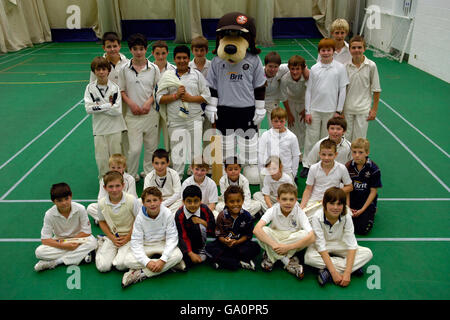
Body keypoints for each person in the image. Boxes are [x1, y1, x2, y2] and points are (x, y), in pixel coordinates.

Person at [156, 45, 210, 178]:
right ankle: (177, 176)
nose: (181, 60)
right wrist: (175, 96)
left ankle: (194, 174)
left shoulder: (197, 75)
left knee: (195, 149)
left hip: (194, 118)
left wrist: (190, 98)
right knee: (177, 150)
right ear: (174, 59)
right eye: (178, 58)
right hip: (175, 120)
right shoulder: (167, 76)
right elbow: (159, 98)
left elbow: (206, 96)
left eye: (184, 58)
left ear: (188, 59)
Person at [304, 187, 373, 287]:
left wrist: (347, 273)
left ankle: (325, 271)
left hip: (340, 244)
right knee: (309, 258)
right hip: (322, 245)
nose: (335, 207)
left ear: (344, 205)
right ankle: (353, 265)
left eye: (339, 204)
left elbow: (352, 245)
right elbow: (321, 246)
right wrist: (334, 273)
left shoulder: (347, 216)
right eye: (332, 203)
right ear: (325, 204)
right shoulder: (317, 217)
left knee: (367, 253)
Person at [303, 38, 349, 178]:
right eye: (323, 50)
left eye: (328, 50)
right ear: (319, 52)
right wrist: (307, 111)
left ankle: (323, 163)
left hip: (330, 110)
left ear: (333, 51)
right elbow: (309, 90)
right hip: (315, 109)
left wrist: (338, 111)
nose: (326, 53)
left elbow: (343, 90)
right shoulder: (315, 68)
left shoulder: (340, 68)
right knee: (311, 137)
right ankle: (307, 164)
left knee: (326, 139)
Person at [121, 187, 183, 288]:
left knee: (178, 255)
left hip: (162, 244)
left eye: (155, 200)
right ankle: (171, 265)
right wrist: (147, 262)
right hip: (146, 246)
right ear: (143, 203)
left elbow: (172, 238)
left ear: (160, 200)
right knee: (127, 261)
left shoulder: (167, 213)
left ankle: (140, 273)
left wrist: (162, 260)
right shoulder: (140, 218)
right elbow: (136, 242)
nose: (152, 204)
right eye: (148, 201)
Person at [119, 33, 160, 182]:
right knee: (134, 149)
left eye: (141, 48)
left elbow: (158, 89)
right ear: (130, 50)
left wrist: (149, 102)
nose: (138, 52)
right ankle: (131, 176)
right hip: (132, 115)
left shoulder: (154, 69)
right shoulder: (124, 69)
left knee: (151, 148)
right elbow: (121, 90)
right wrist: (131, 104)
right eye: (135, 49)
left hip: (150, 115)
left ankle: (149, 174)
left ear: (145, 49)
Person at [253, 183, 315, 279]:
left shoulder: (299, 212)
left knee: (305, 234)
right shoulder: (273, 210)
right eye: (284, 199)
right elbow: (256, 230)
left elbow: (312, 236)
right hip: (275, 238)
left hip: (291, 240)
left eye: (291, 199)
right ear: (278, 200)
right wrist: (275, 245)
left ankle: (270, 257)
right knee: (263, 230)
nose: (288, 203)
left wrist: (287, 247)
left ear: (295, 200)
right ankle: (287, 261)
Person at [34, 183, 97, 271]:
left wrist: (72, 242)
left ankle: (56, 262)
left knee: (92, 242)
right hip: (61, 241)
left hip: (78, 239)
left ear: (71, 196)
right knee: (39, 252)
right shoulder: (49, 214)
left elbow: (87, 232)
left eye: (66, 199)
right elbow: (45, 240)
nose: (64, 203)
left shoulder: (80, 209)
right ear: (53, 201)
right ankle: (80, 255)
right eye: (59, 200)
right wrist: (66, 246)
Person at [89, 31, 130, 158]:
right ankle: (108, 173)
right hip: (107, 110)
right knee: (107, 144)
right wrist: (106, 106)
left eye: (114, 46)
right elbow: (93, 89)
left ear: (119, 46)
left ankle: (125, 170)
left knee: (124, 140)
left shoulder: (127, 63)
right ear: (104, 48)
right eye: (109, 47)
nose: (112, 49)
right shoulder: (99, 65)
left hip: (124, 106)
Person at [84, 56, 126, 179]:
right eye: (98, 69)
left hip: (115, 128)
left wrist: (99, 107)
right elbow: (88, 109)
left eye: (103, 69)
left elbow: (117, 110)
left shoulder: (115, 88)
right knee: (101, 160)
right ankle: (103, 183)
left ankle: (119, 181)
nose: (101, 72)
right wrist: (108, 105)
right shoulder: (89, 88)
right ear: (94, 71)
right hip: (99, 130)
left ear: (108, 70)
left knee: (116, 160)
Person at [206, 185, 260, 270]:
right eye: (231, 202)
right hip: (224, 245)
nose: (235, 204)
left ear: (242, 201)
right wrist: (225, 241)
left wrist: (237, 241)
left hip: (240, 244)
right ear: (226, 202)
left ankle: (225, 262)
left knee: (255, 248)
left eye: (238, 201)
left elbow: (247, 235)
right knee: (209, 248)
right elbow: (219, 235)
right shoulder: (222, 216)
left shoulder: (247, 216)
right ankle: (240, 261)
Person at [95, 171, 141, 272]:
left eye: (117, 186)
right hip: (112, 237)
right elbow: (102, 221)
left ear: (123, 185)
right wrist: (112, 238)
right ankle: (101, 244)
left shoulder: (131, 200)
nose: (114, 190)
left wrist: (127, 238)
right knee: (103, 267)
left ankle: (117, 255)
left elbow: (139, 221)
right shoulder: (102, 203)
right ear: (105, 187)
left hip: (129, 237)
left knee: (121, 265)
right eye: (110, 187)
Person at [300, 139, 353, 221]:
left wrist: (334, 194)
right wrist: (302, 207)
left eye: (330, 155)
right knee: (307, 220)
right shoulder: (313, 168)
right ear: (319, 154)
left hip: (334, 201)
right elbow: (308, 189)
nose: (326, 158)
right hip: (316, 201)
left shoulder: (342, 168)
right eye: (323, 154)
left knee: (346, 218)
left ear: (335, 155)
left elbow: (349, 187)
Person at [343, 35, 381, 142]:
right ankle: (347, 159)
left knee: (359, 140)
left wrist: (374, 110)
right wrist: (340, 111)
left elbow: (376, 89)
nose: (356, 50)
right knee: (346, 139)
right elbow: (342, 90)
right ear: (349, 49)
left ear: (364, 49)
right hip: (347, 109)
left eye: (359, 47)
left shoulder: (371, 66)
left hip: (363, 110)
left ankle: (357, 159)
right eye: (353, 48)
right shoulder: (345, 66)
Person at [346, 138, 382, 235]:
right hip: (352, 200)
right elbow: (347, 189)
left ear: (367, 153)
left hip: (366, 202)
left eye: (360, 152)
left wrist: (362, 210)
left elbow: (373, 191)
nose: (357, 155)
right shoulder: (348, 166)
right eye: (354, 152)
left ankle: (372, 210)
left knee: (361, 230)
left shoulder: (374, 169)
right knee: (344, 227)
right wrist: (348, 207)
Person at [87, 153, 137, 223]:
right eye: (113, 167)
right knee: (90, 208)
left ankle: (107, 221)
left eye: (119, 167)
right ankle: (116, 221)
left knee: (139, 204)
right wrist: (111, 205)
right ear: (109, 167)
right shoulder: (104, 179)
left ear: (124, 167)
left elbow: (133, 198)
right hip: (109, 207)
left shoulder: (130, 179)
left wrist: (120, 205)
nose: (116, 170)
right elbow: (101, 198)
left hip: (125, 207)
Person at [175, 185, 216, 269]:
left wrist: (202, 222)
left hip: (201, 241)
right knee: (186, 258)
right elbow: (182, 236)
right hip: (187, 243)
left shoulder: (205, 209)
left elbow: (214, 229)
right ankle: (188, 255)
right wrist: (190, 253)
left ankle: (202, 250)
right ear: (183, 202)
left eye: (196, 201)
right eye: (189, 201)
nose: (193, 205)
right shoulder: (179, 214)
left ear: (201, 201)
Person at [258, 107, 300, 182]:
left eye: (281, 121)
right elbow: (260, 153)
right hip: (269, 171)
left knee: (287, 193)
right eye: (276, 121)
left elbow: (296, 156)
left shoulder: (292, 137)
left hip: (286, 171)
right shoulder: (265, 135)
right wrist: (261, 171)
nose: (279, 124)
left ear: (285, 121)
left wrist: (293, 174)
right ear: (271, 121)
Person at [280, 55, 308, 154]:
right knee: (292, 126)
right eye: (292, 69)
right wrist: (289, 114)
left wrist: (306, 110)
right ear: (289, 68)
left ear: (302, 69)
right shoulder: (285, 78)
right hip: (291, 102)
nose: (295, 72)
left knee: (303, 127)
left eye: (297, 69)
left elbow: (311, 94)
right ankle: (292, 151)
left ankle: (301, 151)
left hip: (304, 102)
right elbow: (283, 97)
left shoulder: (307, 77)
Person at [152, 40, 176, 152]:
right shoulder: (148, 69)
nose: (160, 57)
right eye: (157, 53)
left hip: (168, 108)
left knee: (169, 138)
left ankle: (170, 162)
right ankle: (153, 165)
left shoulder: (174, 70)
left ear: (167, 53)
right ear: (152, 53)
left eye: (163, 53)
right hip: (152, 109)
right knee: (152, 139)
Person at [143, 148, 182, 214]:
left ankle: (166, 216)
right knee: (139, 202)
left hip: (171, 202)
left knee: (181, 201)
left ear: (168, 163)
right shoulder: (149, 177)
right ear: (152, 163)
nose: (159, 166)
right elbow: (147, 195)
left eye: (163, 163)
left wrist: (163, 204)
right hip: (154, 203)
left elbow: (178, 194)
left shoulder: (174, 174)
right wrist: (156, 204)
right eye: (156, 163)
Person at [263, 51, 289, 124]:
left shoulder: (282, 69)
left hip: (273, 101)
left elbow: (301, 64)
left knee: (275, 126)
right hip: (259, 101)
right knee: (255, 126)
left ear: (279, 66)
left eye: (275, 67)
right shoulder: (259, 73)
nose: (273, 69)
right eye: (270, 66)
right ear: (265, 65)